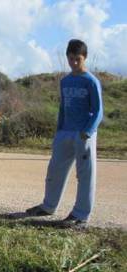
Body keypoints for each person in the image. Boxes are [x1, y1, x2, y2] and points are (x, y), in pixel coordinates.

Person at [26, 39, 103, 229]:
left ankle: (80, 214)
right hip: (65, 132)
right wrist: (58, 131)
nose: (74, 63)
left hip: (84, 134)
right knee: (55, 170)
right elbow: (62, 108)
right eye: (70, 59)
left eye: (78, 59)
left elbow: (98, 110)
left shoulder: (91, 81)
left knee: (85, 175)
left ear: (84, 57)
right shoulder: (65, 81)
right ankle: (48, 206)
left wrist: (87, 131)